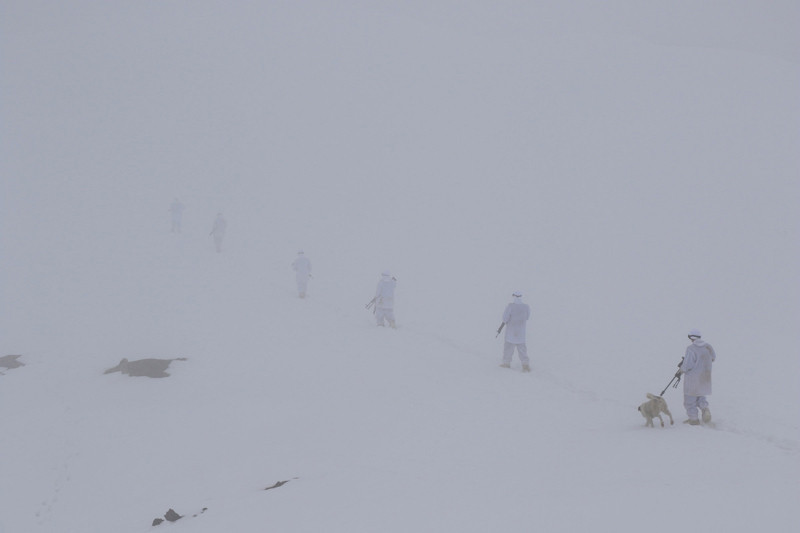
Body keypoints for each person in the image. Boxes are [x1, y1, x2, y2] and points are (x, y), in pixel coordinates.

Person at [677, 328, 716, 425]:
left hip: (692, 379)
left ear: (691, 337)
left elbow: (687, 365)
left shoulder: (691, 348)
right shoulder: (708, 347)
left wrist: (680, 370)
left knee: (690, 400)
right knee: (701, 397)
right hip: (705, 378)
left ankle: (693, 419)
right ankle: (705, 409)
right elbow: (713, 358)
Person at [499, 291, 531, 372]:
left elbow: (505, 318)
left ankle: (506, 363)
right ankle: (525, 365)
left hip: (511, 332)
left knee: (508, 349)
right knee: (522, 349)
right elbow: (527, 317)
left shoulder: (510, 306)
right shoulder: (526, 307)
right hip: (521, 332)